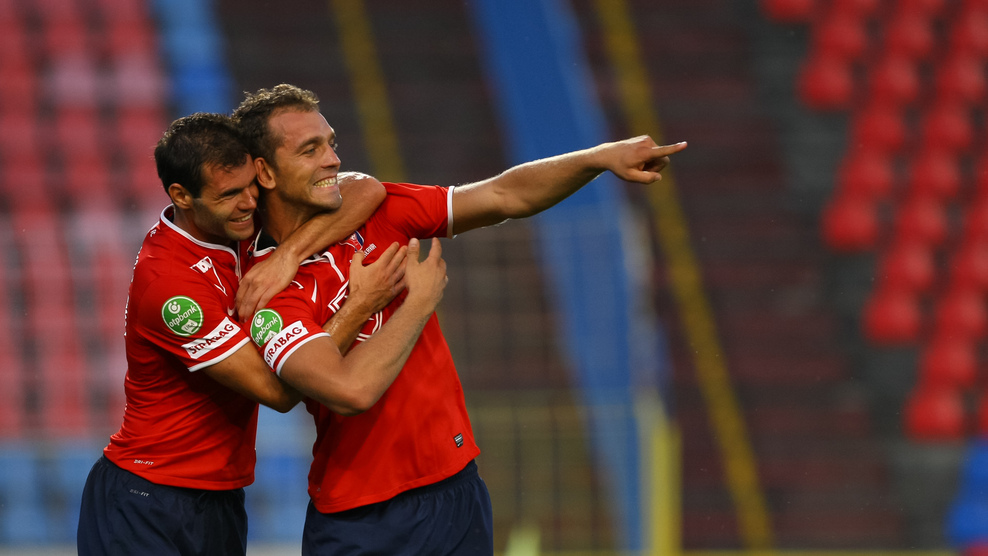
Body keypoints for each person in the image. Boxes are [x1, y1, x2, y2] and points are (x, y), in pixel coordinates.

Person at [232, 83, 687, 555]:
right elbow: (350, 392)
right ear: (264, 172)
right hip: (362, 516)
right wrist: (416, 304)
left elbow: (504, 195)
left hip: (455, 489)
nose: (331, 159)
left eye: (331, 144)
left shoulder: (376, 215)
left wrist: (597, 158)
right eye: (310, 150)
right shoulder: (265, 292)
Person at [76, 112, 449, 556]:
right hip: (148, 497)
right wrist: (361, 305)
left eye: (251, 186)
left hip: (220, 496)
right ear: (182, 196)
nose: (250, 203)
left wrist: (289, 254)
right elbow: (277, 391)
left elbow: (366, 189)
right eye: (229, 194)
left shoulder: (235, 230)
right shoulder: (171, 287)